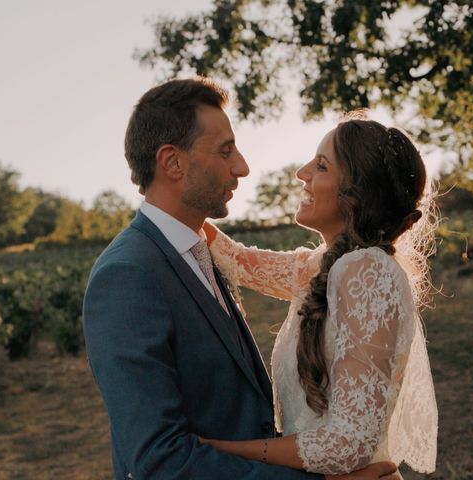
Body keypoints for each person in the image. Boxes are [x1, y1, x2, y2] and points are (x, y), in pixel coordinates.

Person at [83, 78, 399, 480]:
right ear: (172, 162)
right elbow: (158, 459)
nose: (242, 167)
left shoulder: (199, 252)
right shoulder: (128, 275)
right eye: (225, 151)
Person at [200, 112, 438, 477]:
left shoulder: (367, 271)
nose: (302, 172)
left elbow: (350, 442)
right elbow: (238, 261)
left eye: (322, 165)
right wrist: (176, 198)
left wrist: (222, 449)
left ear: (355, 195)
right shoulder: (328, 266)